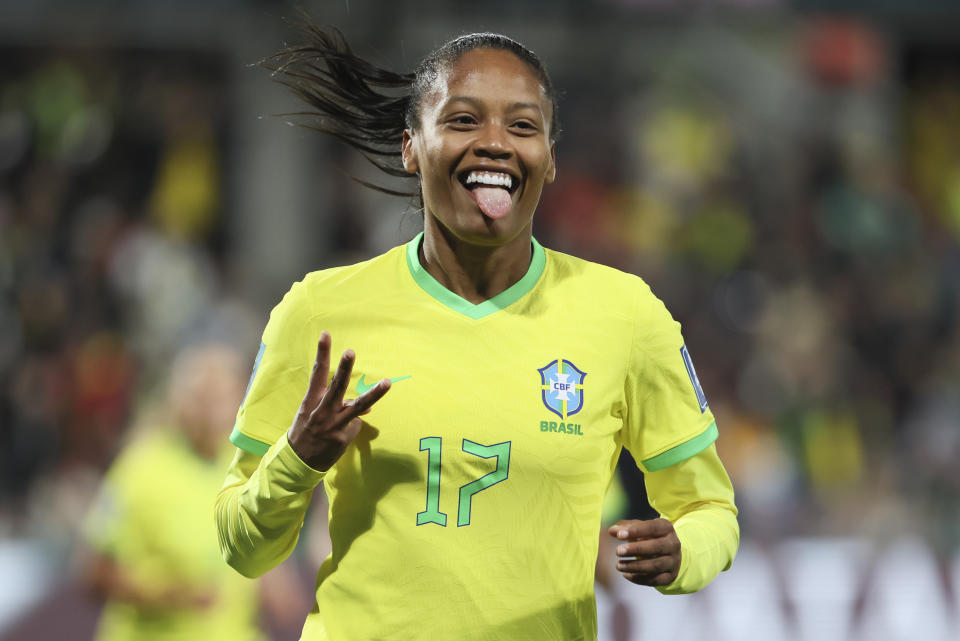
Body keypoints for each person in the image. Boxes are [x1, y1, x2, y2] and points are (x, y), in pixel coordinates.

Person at [216, 24, 739, 641]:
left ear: (549, 159)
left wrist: (683, 553)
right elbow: (239, 546)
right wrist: (296, 459)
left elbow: (711, 511)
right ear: (412, 146)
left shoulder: (626, 315)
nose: (495, 143)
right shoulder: (318, 313)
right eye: (464, 120)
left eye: (522, 126)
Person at [83, 343, 306, 641]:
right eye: (202, 398)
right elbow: (95, 573)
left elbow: (263, 559)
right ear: (178, 401)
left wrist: (274, 581)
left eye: (224, 398)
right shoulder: (140, 467)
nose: (212, 411)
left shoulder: (248, 464)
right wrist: (166, 594)